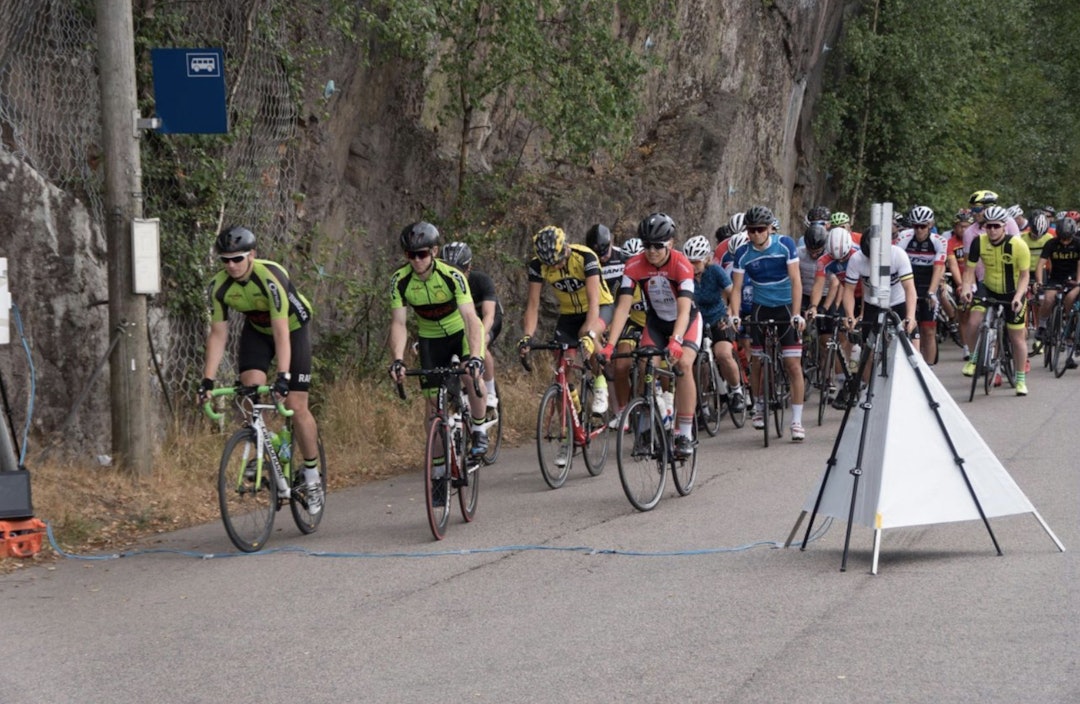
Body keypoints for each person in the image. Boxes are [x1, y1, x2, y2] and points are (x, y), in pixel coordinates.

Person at [198, 226, 324, 514]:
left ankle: (312, 476)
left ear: (252, 255)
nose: (231, 265)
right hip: (257, 331)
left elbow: (281, 332)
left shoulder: (270, 277)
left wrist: (283, 377)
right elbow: (218, 334)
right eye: (225, 260)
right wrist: (207, 380)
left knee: (295, 403)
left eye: (237, 259)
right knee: (249, 390)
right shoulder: (219, 287)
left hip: (291, 329)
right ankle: (266, 445)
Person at [388, 222, 489, 504]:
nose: (416, 260)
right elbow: (398, 323)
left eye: (421, 254)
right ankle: (439, 472)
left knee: (471, 375)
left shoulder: (452, 275)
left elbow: (471, 318)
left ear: (433, 251)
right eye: (410, 255)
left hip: (460, 333)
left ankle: (479, 430)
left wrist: (477, 357)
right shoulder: (399, 280)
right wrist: (398, 358)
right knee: (432, 411)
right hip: (431, 339)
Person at [600, 213, 701, 458]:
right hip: (655, 322)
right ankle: (646, 429)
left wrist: (676, 340)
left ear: (671, 243)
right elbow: (623, 307)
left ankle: (684, 434)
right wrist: (610, 345)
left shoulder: (682, 264)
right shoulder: (634, 265)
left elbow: (685, 307)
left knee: (684, 365)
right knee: (645, 365)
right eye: (647, 245)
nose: (652, 251)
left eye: (658, 246)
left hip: (685, 321)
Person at [520, 225, 613, 464]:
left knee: (587, 336)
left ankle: (600, 383)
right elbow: (533, 305)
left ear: (567, 248)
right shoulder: (537, 265)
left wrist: (589, 334)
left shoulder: (586, 257)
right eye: (550, 265)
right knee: (561, 366)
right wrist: (527, 337)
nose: (556, 267)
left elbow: (594, 302)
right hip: (569, 313)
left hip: (600, 307)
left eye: (559, 261)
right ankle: (569, 432)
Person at [727, 205, 808, 442]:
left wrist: (796, 313)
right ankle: (759, 405)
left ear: (770, 228)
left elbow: (796, 281)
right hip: (761, 307)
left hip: (785, 306)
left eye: (760, 229)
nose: (755, 234)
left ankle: (796, 420)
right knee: (757, 360)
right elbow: (737, 288)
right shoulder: (743, 253)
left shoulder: (785, 244)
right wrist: (734, 314)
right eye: (751, 230)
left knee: (793, 364)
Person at [960, 206, 1031, 396]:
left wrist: (1018, 297)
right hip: (988, 287)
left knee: (1016, 338)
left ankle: (1020, 380)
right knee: (973, 322)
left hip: (1012, 292)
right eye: (987, 226)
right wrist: (966, 287)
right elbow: (969, 270)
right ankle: (974, 360)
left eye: (995, 226)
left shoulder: (1018, 245)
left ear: (1004, 227)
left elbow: (1025, 276)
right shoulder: (978, 242)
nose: (991, 230)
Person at [440, 241, 503, 415]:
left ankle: (489, 392)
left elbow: (489, 314)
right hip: (460, 323)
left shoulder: (481, 281)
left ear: (468, 268)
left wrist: (479, 335)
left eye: (459, 270)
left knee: (482, 345)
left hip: (486, 318)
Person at [683, 235, 744, 412]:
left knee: (723, 354)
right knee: (696, 364)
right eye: (689, 262)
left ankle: (736, 390)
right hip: (695, 321)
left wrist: (732, 314)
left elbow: (733, 292)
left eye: (696, 262)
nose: (692, 267)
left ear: (707, 259)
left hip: (718, 318)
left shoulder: (715, 271)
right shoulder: (684, 275)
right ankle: (700, 402)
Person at [896, 205, 947, 363]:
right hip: (908, 281)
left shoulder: (939, 241)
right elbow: (895, 260)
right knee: (906, 326)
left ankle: (929, 369)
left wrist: (931, 292)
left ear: (930, 225)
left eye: (923, 226)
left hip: (928, 282)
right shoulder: (904, 237)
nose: (919, 230)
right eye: (916, 226)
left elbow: (938, 268)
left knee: (928, 330)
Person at [1035, 215, 1080, 365]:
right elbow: (1040, 264)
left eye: (1067, 239)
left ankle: (1069, 333)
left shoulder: (1078, 243)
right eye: (1062, 238)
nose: (1065, 242)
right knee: (1048, 299)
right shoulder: (1051, 243)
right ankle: (1042, 326)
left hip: (1074, 279)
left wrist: (1078, 283)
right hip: (1056, 278)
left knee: (1070, 299)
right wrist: (1040, 282)